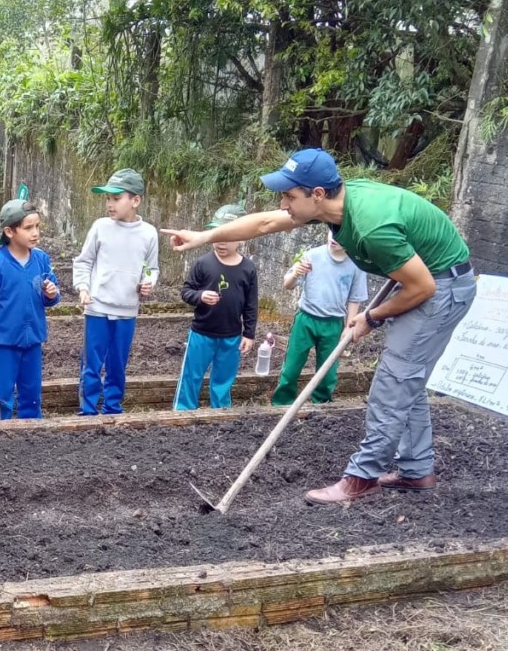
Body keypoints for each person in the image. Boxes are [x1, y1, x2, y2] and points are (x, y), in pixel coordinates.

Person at [162, 148, 475, 504]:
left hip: (441, 286)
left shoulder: (373, 228)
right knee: (409, 380)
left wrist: (371, 317)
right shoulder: (333, 204)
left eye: (289, 196)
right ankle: (417, 470)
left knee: (394, 380)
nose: (283, 204)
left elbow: (423, 287)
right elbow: (265, 222)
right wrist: (201, 237)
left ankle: (363, 475)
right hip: (425, 273)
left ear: (318, 195)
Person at [74, 169, 160, 415]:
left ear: (135, 200)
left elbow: (152, 268)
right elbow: (84, 262)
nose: (109, 204)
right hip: (97, 308)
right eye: (107, 199)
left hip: (126, 311)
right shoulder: (100, 227)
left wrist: (148, 282)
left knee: (117, 364)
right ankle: (87, 410)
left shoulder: (148, 233)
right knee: (92, 364)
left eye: (116, 198)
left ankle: (113, 408)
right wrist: (83, 288)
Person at [0, 199, 60, 420]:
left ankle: (31, 432)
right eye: (28, 228)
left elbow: (51, 296)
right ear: (9, 231)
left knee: (32, 394)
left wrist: (51, 294)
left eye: (37, 226)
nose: (35, 233)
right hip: (3, 342)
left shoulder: (41, 259)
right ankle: (1, 431)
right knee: (2, 395)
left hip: (33, 340)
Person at [173, 204, 258, 410]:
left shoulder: (248, 269)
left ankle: (220, 412)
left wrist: (249, 334)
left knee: (224, 378)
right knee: (191, 375)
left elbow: (251, 304)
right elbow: (186, 292)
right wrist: (200, 295)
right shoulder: (202, 263)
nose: (221, 242)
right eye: (216, 234)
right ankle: (184, 410)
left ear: (242, 237)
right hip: (201, 333)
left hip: (231, 336)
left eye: (227, 236)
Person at [271, 232, 368, 406]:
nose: (335, 238)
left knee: (328, 370)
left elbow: (355, 297)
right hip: (305, 319)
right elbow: (288, 284)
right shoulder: (312, 255)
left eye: (342, 234)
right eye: (333, 232)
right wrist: (295, 274)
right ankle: (282, 403)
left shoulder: (356, 265)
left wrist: (349, 325)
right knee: (292, 366)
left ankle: (321, 404)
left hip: (333, 323)